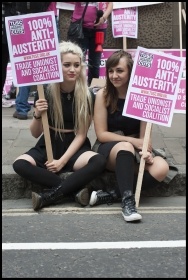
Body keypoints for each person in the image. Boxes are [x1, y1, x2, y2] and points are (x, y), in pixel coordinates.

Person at [12, 41, 106, 211]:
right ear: (57, 66)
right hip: (49, 141)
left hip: (74, 145)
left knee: (98, 160)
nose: (72, 69)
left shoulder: (87, 95)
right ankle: (72, 190)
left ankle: (51, 196)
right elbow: (35, 133)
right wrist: (37, 114)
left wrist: (62, 162)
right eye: (67, 65)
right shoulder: (46, 92)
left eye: (77, 65)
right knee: (19, 164)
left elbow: (81, 134)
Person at [89, 50, 169, 222]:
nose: (114, 75)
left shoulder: (143, 95)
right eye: (110, 71)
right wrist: (133, 142)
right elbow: (101, 134)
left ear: (131, 72)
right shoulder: (103, 95)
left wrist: (146, 151)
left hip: (135, 148)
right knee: (125, 147)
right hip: (110, 147)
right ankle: (127, 203)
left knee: (161, 167)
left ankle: (111, 194)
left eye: (119, 70)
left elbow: (145, 136)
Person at [12, 2, 59, 120]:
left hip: (21, 16)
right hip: (46, 17)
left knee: (24, 62)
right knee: (48, 63)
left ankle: (22, 108)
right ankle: (48, 105)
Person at [70, 2, 113, 86]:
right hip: (80, 28)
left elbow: (110, 4)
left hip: (99, 29)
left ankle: (93, 90)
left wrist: (104, 18)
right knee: (78, 60)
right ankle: (78, 88)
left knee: (95, 62)